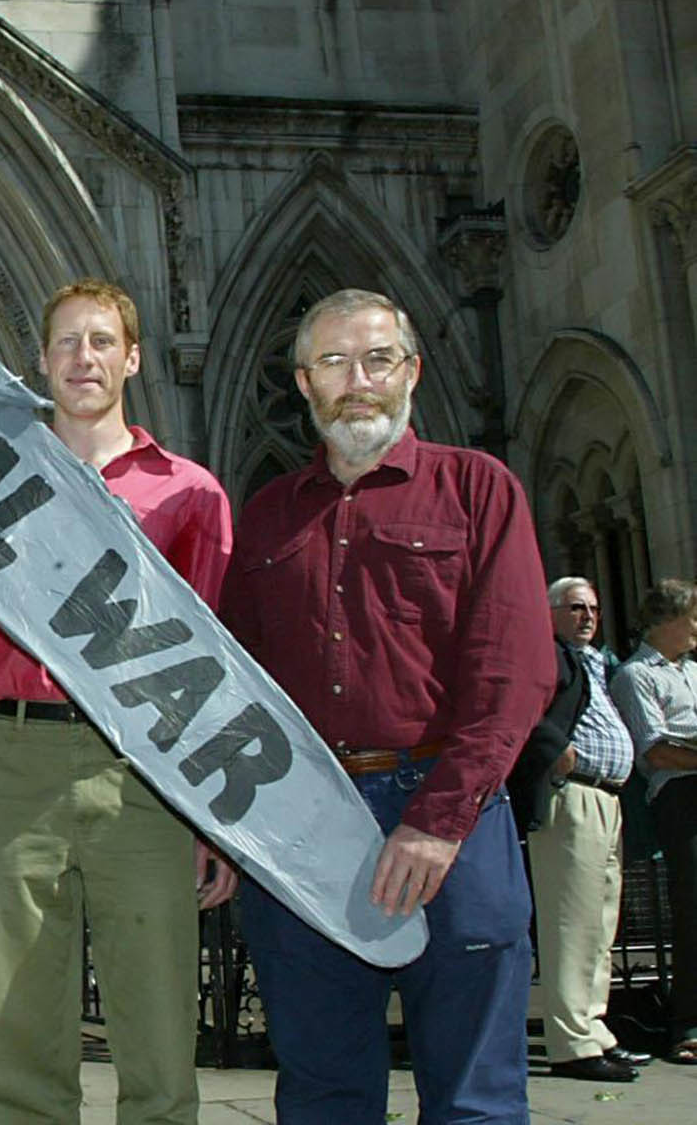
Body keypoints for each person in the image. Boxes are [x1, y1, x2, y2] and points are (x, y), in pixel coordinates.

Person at [0, 278, 237, 1125]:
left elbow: (211, 667)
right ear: (41, 361)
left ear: (131, 359)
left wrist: (213, 818)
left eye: (101, 341)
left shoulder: (189, 493)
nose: (82, 358)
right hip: (19, 758)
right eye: (66, 342)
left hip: (141, 769)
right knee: (20, 1018)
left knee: (158, 1013)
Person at [218, 288, 554, 1122]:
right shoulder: (268, 515)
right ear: (304, 382)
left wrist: (438, 821)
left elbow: (512, 671)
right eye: (333, 362)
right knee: (323, 1095)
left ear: (412, 371)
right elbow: (235, 686)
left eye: (377, 359)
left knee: (475, 1100)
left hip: (449, 816)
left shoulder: (478, 489)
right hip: (303, 822)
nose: (357, 381)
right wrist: (225, 823)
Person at [508, 576, 646, 1081]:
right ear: (549, 614)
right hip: (573, 796)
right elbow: (519, 703)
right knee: (571, 922)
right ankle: (571, 1043)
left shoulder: (597, 662)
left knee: (600, 923)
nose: (587, 616)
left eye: (592, 608)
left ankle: (594, 1029)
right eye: (575, 607)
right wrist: (555, 750)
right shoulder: (546, 655)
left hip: (607, 797)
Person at [609, 578, 697, 1067]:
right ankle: (689, 1022)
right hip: (681, 795)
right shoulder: (636, 675)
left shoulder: (693, 672)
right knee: (692, 905)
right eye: (693, 616)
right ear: (668, 619)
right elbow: (656, 750)